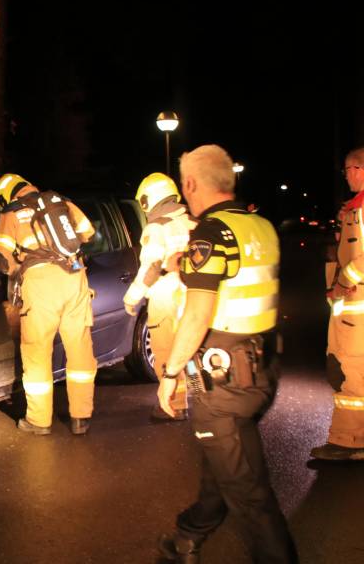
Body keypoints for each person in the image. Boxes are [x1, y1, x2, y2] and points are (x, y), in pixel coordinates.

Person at [156, 145, 297, 563]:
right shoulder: (261, 226)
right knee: (223, 461)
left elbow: (199, 313)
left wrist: (170, 373)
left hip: (225, 380)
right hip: (262, 366)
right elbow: (233, 275)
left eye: (185, 185)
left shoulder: (211, 233)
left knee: (251, 498)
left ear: (192, 183)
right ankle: (188, 535)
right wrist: (182, 265)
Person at [0, 173, 97, 435]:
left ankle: (39, 421)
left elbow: (2, 260)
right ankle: (81, 417)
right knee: (80, 348)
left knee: (37, 352)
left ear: (5, 196)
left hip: (40, 284)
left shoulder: (11, 213)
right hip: (75, 278)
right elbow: (88, 232)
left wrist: (18, 263)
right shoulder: (59, 201)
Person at [123, 173, 196, 421]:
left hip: (166, 293)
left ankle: (173, 406)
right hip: (193, 292)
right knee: (190, 346)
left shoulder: (156, 227)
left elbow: (151, 267)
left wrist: (132, 297)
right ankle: (200, 399)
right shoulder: (192, 222)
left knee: (165, 349)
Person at [311, 146, 364, 461]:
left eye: (347, 169)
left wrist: (344, 280)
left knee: (351, 370)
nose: (345, 176)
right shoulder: (354, 208)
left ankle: (350, 440)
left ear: (358, 169)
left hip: (357, 308)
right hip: (351, 308)